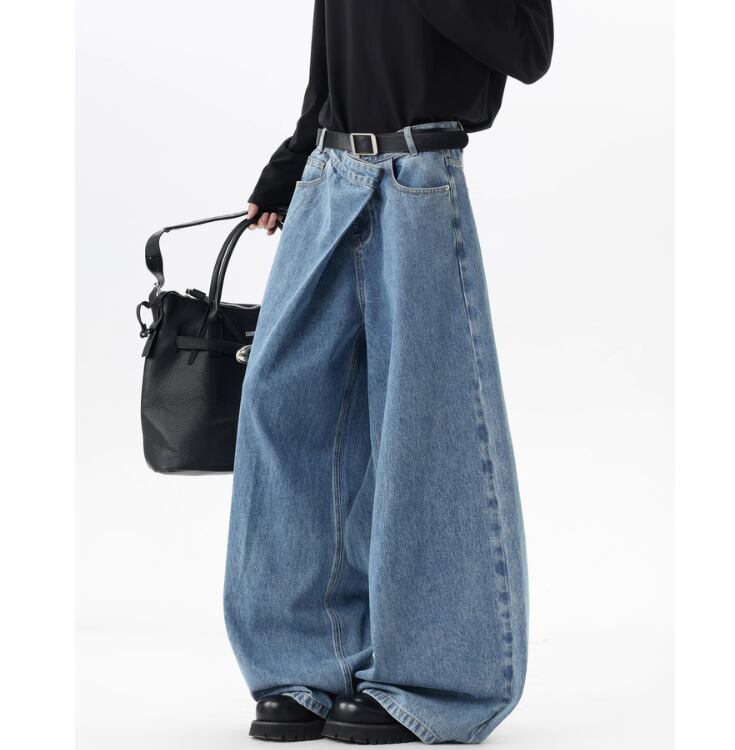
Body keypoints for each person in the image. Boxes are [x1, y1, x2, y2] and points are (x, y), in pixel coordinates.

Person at [224, 1, 553, 744]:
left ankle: (435, 679)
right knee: (280, 407)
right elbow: (330, 59)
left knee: (424, 425)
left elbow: (529, 50)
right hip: (328, 173)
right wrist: (291, 161)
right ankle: (307, 666)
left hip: (418, 176)